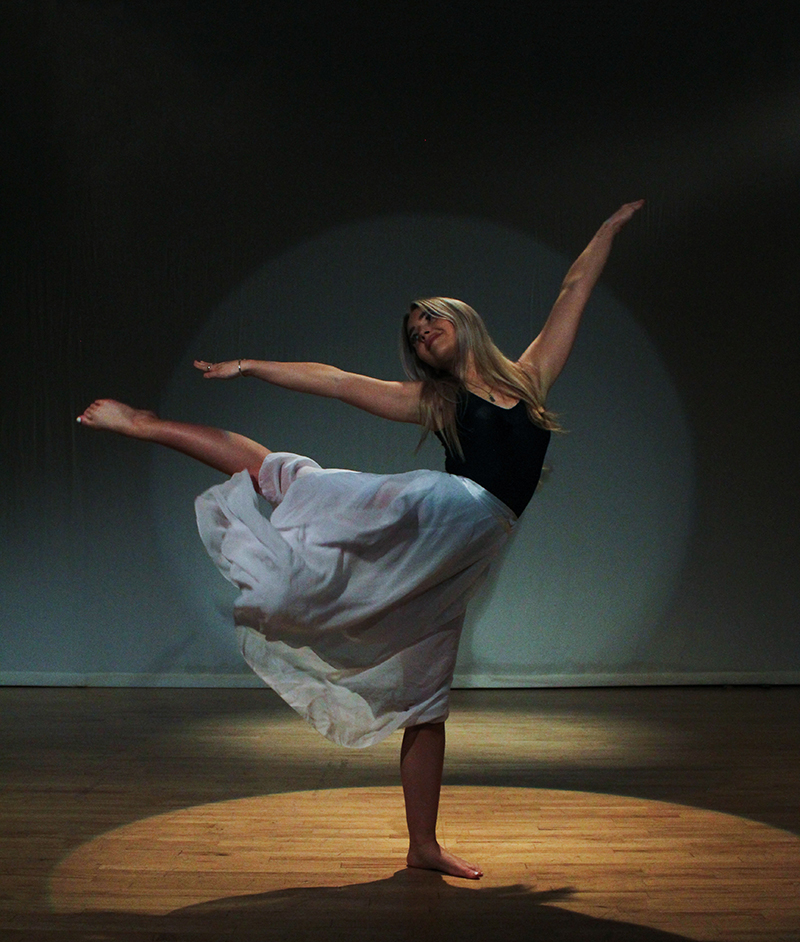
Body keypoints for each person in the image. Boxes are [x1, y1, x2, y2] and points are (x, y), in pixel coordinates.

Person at [78, 200, 644, 880]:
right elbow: (339, 382)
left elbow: (573, 288)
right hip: (430, 518)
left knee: (427, 701)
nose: (422, 331)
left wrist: (607, 230)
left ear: (463, 321)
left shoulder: (528, 378)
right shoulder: (434, 401)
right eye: (413, 331)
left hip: (459, 559)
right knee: (288, 481)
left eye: (431, 318)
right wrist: (255, 366)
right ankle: (148, 425)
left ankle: (422, 845)